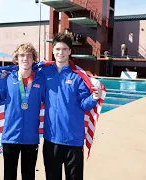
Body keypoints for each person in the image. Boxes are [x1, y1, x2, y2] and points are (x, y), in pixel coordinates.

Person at [0, 43, 46, 180]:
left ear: (34, 59)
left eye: (29, 56)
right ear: (17, 58)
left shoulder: (41, 80)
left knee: (29, 176)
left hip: (31, 138)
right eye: (22, 55)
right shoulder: (8, 79)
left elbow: (52, 101)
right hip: (10, 137)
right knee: (9, 176)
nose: (25, 59)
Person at [40, 33, 102, 180]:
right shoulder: (44, 72)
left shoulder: (78, 75)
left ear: (69, 51)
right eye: (57, 49)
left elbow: (83, 104)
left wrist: (93, 98)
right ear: (53, 50)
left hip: (73, 139)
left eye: (64, 49)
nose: (60, 52)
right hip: (52, 138)